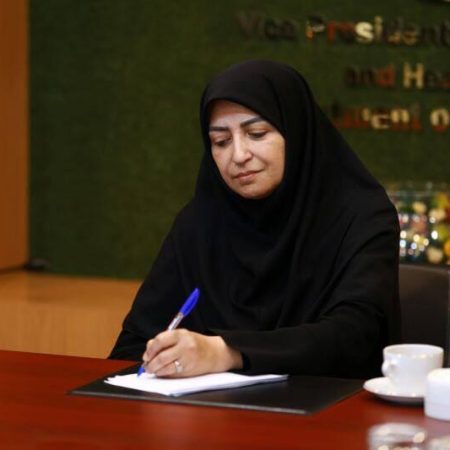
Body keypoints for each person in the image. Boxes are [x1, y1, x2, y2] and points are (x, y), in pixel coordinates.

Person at [109, 60, 400, 379]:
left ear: (295, 132)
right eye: (221, 142)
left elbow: (355, 336)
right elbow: (134, 345)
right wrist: (163, 358)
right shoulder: (201, 221)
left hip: (328, 403)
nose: (238, 155)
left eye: (257, 134)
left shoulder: (362, 215)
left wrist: (226, 352)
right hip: (208, 408)